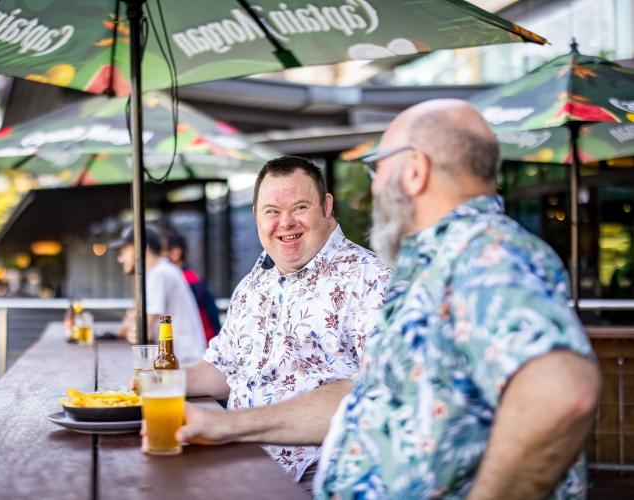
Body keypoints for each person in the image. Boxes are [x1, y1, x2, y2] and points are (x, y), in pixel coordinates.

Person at [172, 101, 601, 499]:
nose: (375, 188)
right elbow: (372, 398)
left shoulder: (484, 252)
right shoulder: (440, 260)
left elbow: (562, 392)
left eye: (379, 169)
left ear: (414, 170)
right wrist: (224, 423)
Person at [135, 156, 393, 483]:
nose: (285, 223)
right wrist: (154, 383)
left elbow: (378, 397)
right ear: (256, 214)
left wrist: (227, 426)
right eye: (271, 211)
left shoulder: (372, 281)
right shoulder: (255, 282)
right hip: (237, 460)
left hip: (317, 479)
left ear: (326, 206)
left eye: (300, 207)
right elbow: (224, 368)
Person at [109, 224, 206, 364]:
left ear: (142, 249)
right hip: (178, 361)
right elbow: (128, 325)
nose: (120, 259)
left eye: (124, 251)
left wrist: (133, 326)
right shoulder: (160, 271)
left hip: (184, 364)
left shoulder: (160, 274)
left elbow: (141, 332)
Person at [161, 228, 222, 343]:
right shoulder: (187, 277)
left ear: (175, 252)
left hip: (202, 348)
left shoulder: (187, 279)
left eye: (161, 252)